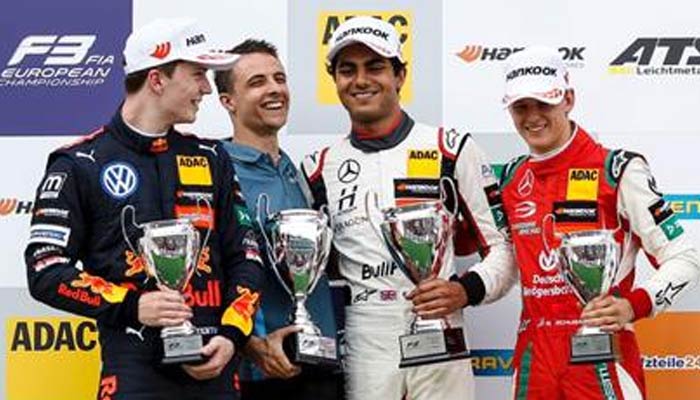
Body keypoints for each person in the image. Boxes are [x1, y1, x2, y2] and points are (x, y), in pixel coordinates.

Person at [415, 45, 700, 399]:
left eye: (543, 103)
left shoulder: (618, 170)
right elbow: (480, 249)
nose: (532, 117)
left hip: (602, 349)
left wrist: (634, 304)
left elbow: (685, 256)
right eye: (521, 106)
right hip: (534, 352)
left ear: (568, 99)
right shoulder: (510, 180)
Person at [24, 18, 265, 400]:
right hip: (133, 373)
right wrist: (133, 305)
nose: (206, 87)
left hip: (214, 366)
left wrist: (233, 334)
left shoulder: (212, 157)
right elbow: (45, 268)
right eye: (197, 73)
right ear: (157, 80)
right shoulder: (79, 164)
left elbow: (247, 256)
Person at [300, 16, 514, 400]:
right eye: (347, 70)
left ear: (400, 75)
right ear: (335, 81)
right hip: (365, 336)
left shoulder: (450, 148)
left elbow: (504, 248)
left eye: (375, 67)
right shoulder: (317, 167)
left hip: (440, 327)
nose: (361, 80)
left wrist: (465, 289)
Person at [214, 39, 343, 400]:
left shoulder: (302, 172)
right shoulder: (215, 169)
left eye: (279, 78)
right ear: (228, 101)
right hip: (259, 370)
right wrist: (250, 344)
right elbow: (209, 274)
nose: (274, 89)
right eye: (256, 82)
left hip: (320, 362)